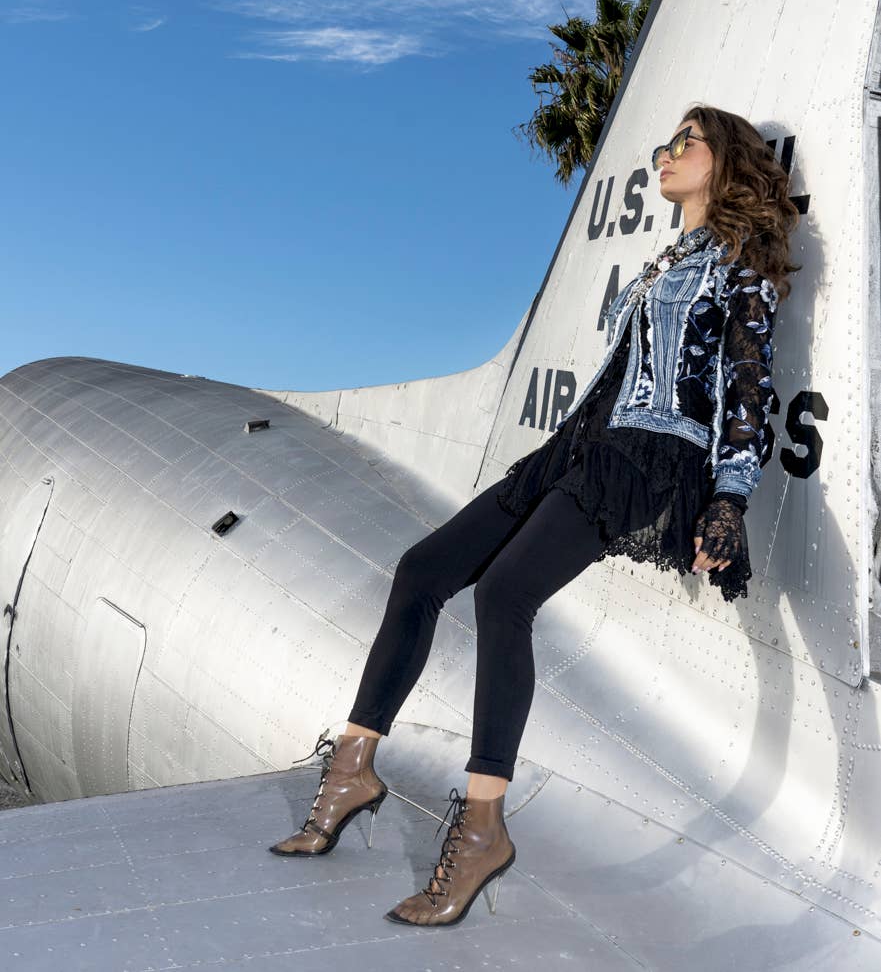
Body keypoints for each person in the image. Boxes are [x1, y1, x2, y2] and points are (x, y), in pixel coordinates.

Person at [267, 104, 802, 927]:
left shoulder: (740, 269)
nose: (662, 153)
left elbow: (748, 396)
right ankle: (353, 766)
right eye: (662, 143)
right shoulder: (664, 262)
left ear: (724, 163)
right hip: (581, 445)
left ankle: (482, 826)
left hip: (648, 457)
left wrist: (728, 498)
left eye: (683, 143)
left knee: (504, 593)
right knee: (421, 572)